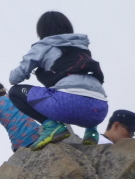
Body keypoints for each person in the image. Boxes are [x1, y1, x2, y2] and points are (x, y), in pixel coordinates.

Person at [8, 11, 108, 151]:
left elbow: (14, 78)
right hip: (99, 110)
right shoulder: (81, 47)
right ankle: (92, 132)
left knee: (14, 92)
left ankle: (52, 127)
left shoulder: (43, 46)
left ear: (41, 30)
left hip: (68, 104)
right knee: (84, 86)